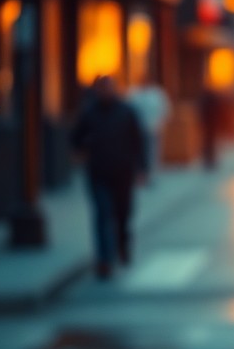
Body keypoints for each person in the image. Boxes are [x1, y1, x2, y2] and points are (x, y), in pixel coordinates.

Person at [72, 75, 148, 279]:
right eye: (102, 89)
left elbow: (138, 142)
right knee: (102, 215)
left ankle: (122, 245)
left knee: (122, 214)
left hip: (123, 172)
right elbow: (76, 138)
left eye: (109, 88)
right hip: (98, 172)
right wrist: (80, 152)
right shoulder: (89, 112)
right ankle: (104, 259)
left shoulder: (126, 111)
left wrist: (142, 169)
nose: (105, 92)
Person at [126, 79, 171, 176]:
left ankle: (152, 173)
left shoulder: (156, 94)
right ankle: (140, 173)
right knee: (139, 153)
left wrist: (161, 124)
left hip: (154, 129)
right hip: (138, 130)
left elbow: (165, 110)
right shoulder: (134, 93)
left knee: (152, 153)